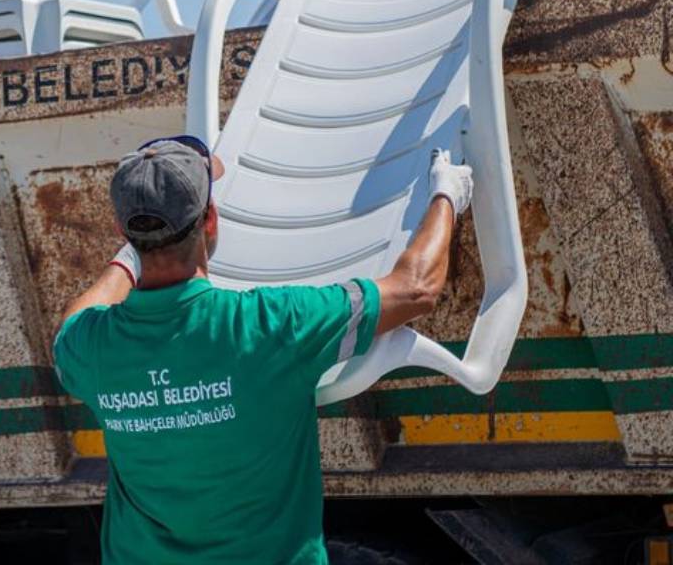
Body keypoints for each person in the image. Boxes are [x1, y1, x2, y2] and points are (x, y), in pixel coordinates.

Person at [54, 134, 473, 564]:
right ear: (211, 219)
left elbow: (76, 317)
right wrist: (446, 194)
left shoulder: (92, 348)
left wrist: (131, 255)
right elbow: (415, 289)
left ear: (121, 229)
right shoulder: (271, 325)